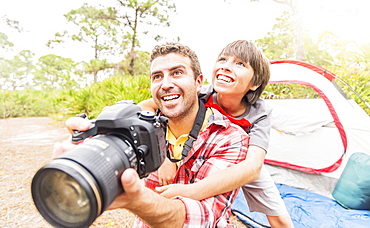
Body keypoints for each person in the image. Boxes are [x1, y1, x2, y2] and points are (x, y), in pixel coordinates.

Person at [63, 42, 249, 227]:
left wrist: (138, 200)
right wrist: (86, 153)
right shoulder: (138, 129)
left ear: (198, 82)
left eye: (177, 73)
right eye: (157, 76)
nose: (166, 84)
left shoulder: (229, 138)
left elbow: (205, 217)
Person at [141, 40, 293, 228]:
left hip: (245, 161)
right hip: (208, 152)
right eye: (223, 59)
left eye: (240, 64)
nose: (226, 67)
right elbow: (146, 106)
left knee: (277, 214)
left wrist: (190, 191)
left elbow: (252, 167)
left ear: (255, 83)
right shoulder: (201, 93)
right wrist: (163, 155)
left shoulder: (259, 112)